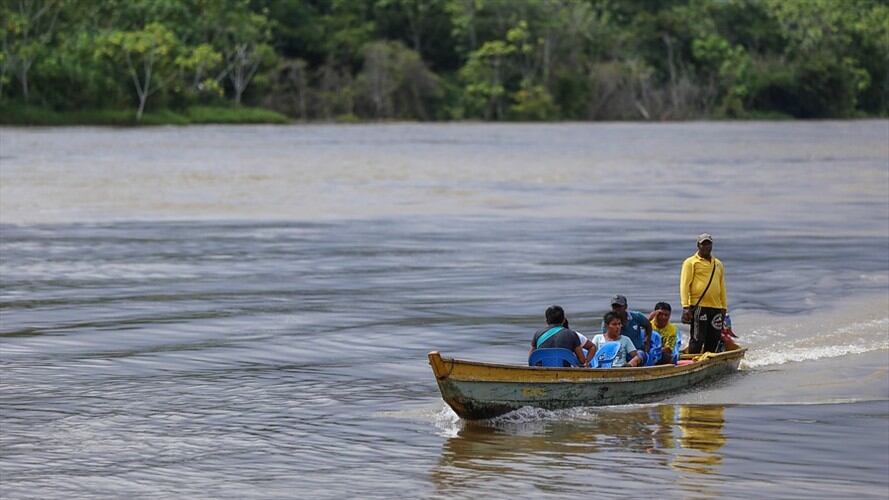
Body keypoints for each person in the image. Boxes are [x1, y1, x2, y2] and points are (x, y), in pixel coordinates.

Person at [680, 233, 728, 353]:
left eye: (708, 244)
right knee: (698, 338)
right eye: (703, 244)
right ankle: (692, 362)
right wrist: (686, 306)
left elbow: (722, 286)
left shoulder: (718, 264)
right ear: (698, 245)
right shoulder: (690, 262)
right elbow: (684, 285)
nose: (706, 246)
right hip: (699, 306)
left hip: (716, 306)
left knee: (714, 337)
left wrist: (724, 306)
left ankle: (709, 361)